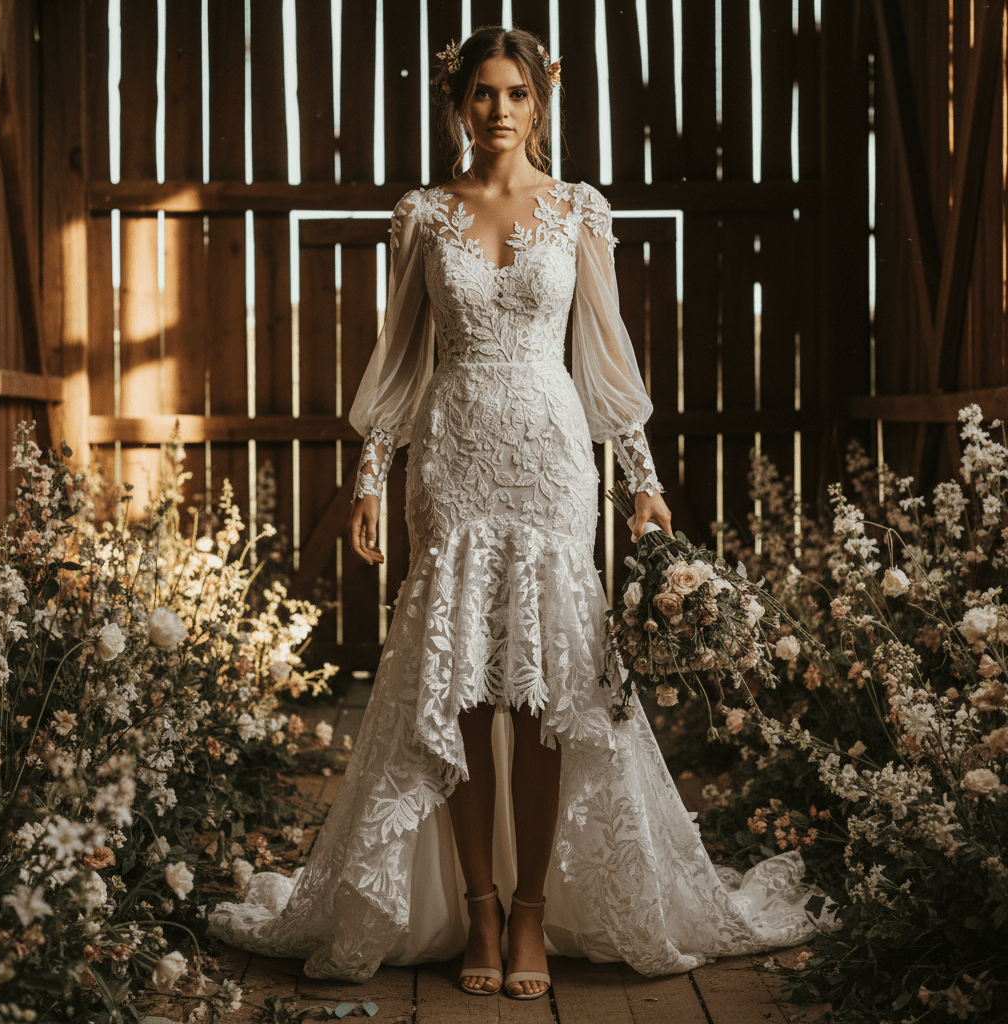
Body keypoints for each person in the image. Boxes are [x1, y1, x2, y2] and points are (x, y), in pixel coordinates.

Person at [208, 25, 822, 1000]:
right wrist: (370, 474)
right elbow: (401, 360)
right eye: (483, 94)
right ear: (457, 103)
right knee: (463, 688)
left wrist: (642, 476)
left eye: (516, 94)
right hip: (449, 457)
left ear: (543, 102)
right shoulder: (422, 215)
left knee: (543, 698)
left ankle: (532, 911)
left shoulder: (579, 208)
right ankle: (479, 907)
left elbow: (607, 358)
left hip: (548, 455)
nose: (499, 111)